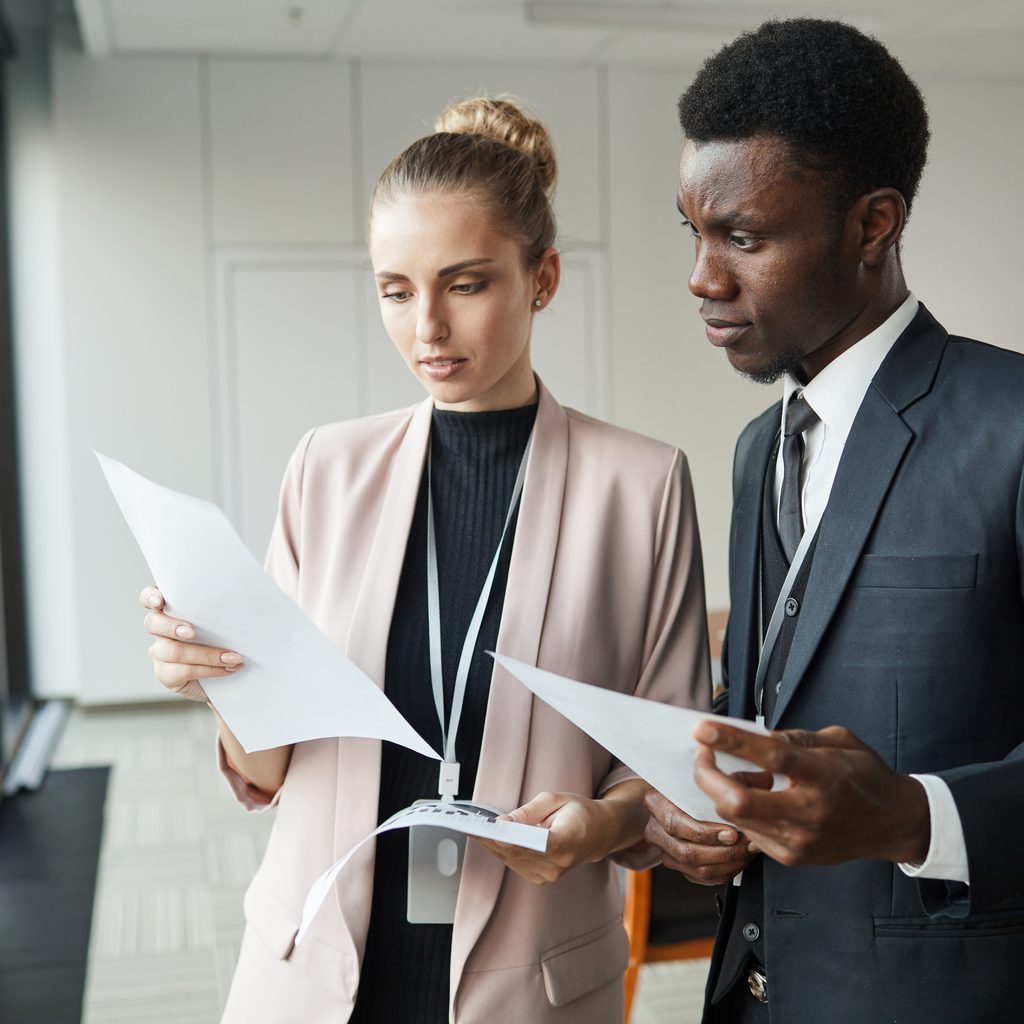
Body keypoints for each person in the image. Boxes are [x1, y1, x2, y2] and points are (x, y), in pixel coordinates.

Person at [140, 97, 711, 1023]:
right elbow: (272, 765)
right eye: (396, 290)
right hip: (315, 972)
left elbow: (669, 772)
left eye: (467, 284)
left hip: (529, 980)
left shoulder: (640, 489)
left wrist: (597, 824)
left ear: (543, 278)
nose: (427, 328)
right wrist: (216, 679)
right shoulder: (326, 467)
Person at [642, 18, 1024, 1024]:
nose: (701, 277)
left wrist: (911, 814)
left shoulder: (1014, 425)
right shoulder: (754, 449)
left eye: (744, 236)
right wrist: (698, 813)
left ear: (871, 225)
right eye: (693, 233)